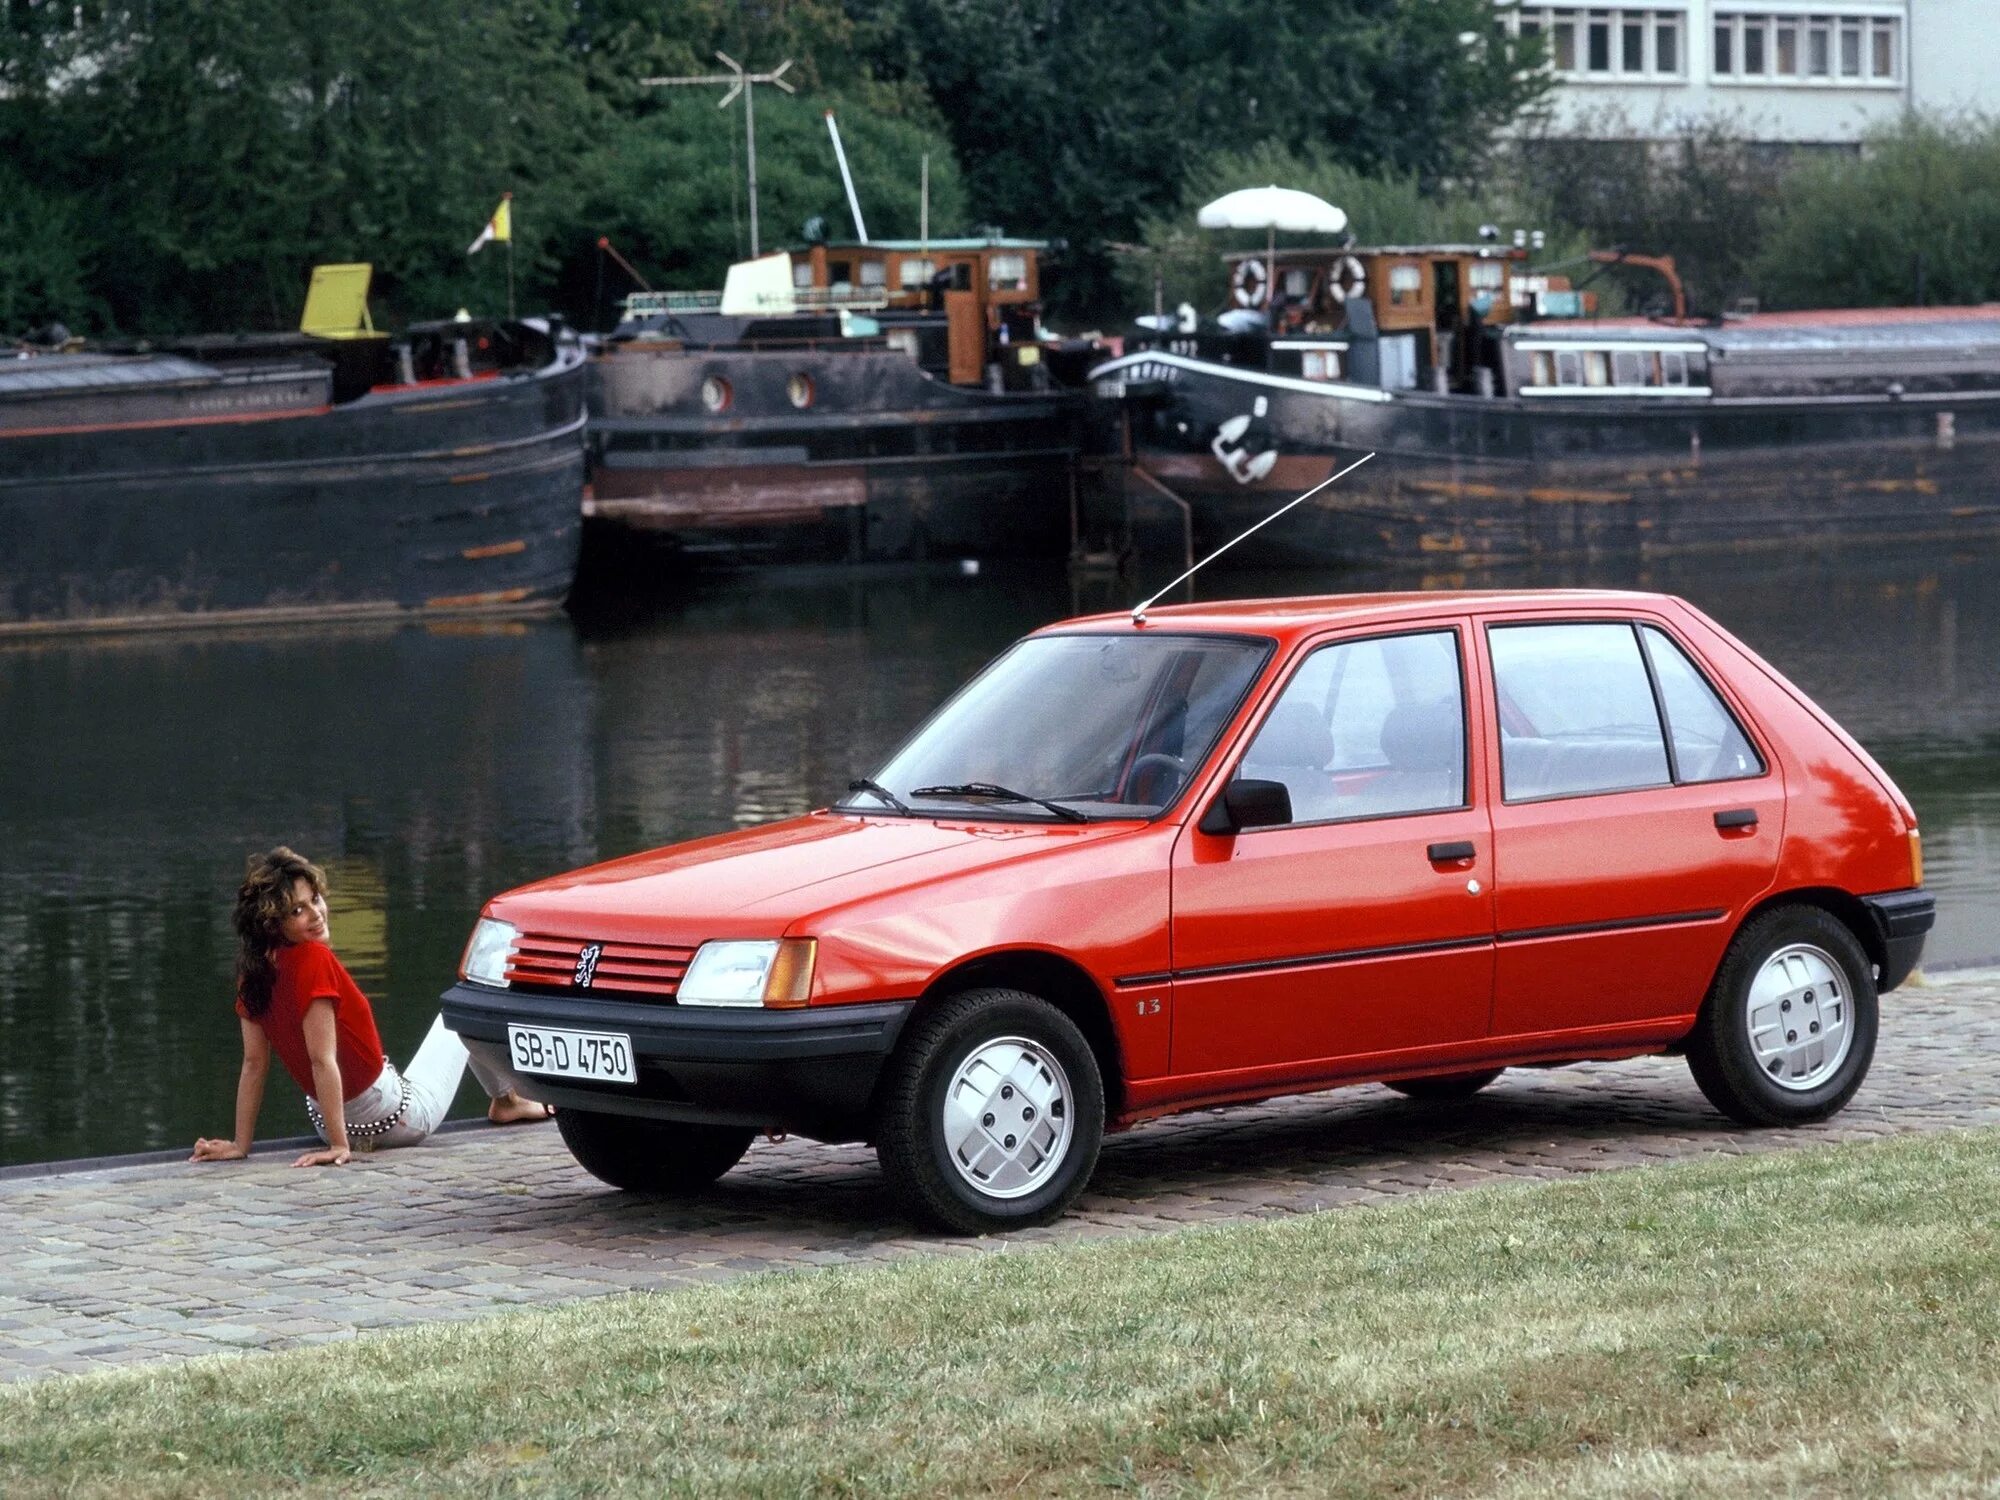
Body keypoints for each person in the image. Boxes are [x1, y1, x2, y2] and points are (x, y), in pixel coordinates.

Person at [191, 847, 550, 1168]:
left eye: (315, 898)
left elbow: (254, 1064)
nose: (316, 913)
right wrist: (338, 1146)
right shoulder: (314, 959)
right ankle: (506, 1102)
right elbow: (322, 1059)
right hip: (391, 1118)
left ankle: (506, 1102)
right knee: (463, 1010)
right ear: (273, 923)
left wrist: (242, 1144)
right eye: (297, 910)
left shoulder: (253, 972)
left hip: (328, 1115)